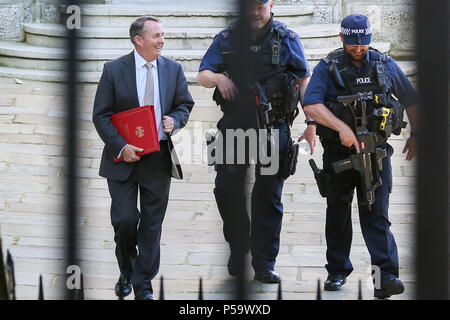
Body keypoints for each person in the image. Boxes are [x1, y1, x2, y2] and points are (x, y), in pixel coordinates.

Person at [197, 0, 313, 283]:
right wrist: (218, 78)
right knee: (226, 189)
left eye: (261, 5)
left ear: (271, 5)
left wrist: (311, 123)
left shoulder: (287, 38)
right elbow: (202, 75)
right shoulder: (227, 37)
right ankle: (239, 247)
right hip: (235, 126)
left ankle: (264, 263)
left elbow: (303, 81)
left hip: (274, 128)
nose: (256, 11)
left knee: (268, 195)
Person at [302, 14, 417, 298]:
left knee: (376, 215)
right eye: (352, 43)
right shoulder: (328, 67)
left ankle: (385, 277)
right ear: (342, 38)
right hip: (339, 154)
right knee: (338, 213)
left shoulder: (384, 64)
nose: (357, 48)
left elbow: (411, 99)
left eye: (362, 43)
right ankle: (337, 271)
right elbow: (311, 105)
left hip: (376, 154)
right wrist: (340, 127)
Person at [92, 16, 194, 300]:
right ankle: (127, 271)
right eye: (156, 36)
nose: (162, 41)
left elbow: (185, 104)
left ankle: (143, 286)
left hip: (158, 158)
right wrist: (121, 147)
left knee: (151, 225)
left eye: (163, 35)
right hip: (122, 159)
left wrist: (175, 120)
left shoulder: (173, 69)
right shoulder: (114, 70)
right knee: (125, 220)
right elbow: (100, 115)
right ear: (139, 40)